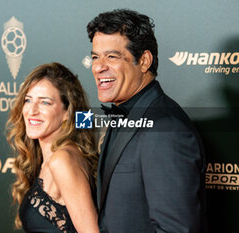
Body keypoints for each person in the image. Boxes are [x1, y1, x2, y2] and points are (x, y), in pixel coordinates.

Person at [87, 9, 207, 233]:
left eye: (111, 57)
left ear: (143, 61)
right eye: (95, 56)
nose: (98, 67)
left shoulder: (165, 130)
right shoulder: (121, 112)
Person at [6, 63, 99, 233]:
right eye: (28, 100)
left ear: (66, 113)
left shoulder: (62, 160)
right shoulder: (54, 157)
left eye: (45, 103)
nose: (32, 110)